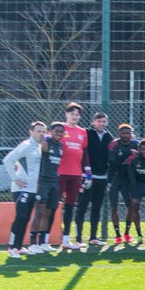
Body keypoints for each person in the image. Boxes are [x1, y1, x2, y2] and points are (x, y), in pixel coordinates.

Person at [3, 121, 45, 259]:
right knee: (20, 217)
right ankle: (12, 247)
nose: (41, 134)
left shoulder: (38, 147)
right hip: (21, 189)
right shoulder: (26, 145)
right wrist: (15, 178)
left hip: (32, 189)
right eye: (38, 131)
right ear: (31, 132)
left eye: (43, 131)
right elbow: (8, 159)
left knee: (26, 217)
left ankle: (19, 246)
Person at [73, 111, 113, 247]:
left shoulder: (109, 137)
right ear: (93, 122)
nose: (101, 124)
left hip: (102, 178)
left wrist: (109, 179)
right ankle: (78, 238)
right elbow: (82, 152)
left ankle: (93, 237)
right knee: (82, 206)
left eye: (103, 121)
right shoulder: (86, 133)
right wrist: (85, 173)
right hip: (87, 177)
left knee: (97, 207)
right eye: (99, 121)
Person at [55, 102, 91, 250]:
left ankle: (65, 239)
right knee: (52, 206)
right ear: (66, 114)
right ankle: (44, 239)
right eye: (72, 113)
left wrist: (87, 172)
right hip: (59, 173)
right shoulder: (59, 130)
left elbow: (84, 152)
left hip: (75, 174)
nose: (74, 116)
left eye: (77, 114)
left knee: (70, 206)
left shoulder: (83, 132)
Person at [33, 122, 66, 252]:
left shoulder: (61, 145)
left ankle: (43, 242)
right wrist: (42, 138)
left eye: (61, 132)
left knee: (49, 212)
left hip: (55, 181)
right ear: (50, 132)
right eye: (56, 131)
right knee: (39, 212)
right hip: (43, 181)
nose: (59, 134)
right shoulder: (46, 142)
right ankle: (33, 242)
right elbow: (40, 147)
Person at [106, 124, 139, 245]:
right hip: (114, 179)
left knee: (130, 206)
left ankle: (126, 233)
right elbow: (113, 162)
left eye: (128, 133)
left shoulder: (135, 144)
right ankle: (117, 235)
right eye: (123, 133)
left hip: (128, 180)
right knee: (114, 207)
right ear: (119, 134)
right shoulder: (114, 144)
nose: (126, 135)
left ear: (131, 134)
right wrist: (129, 156)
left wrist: (138, 154)